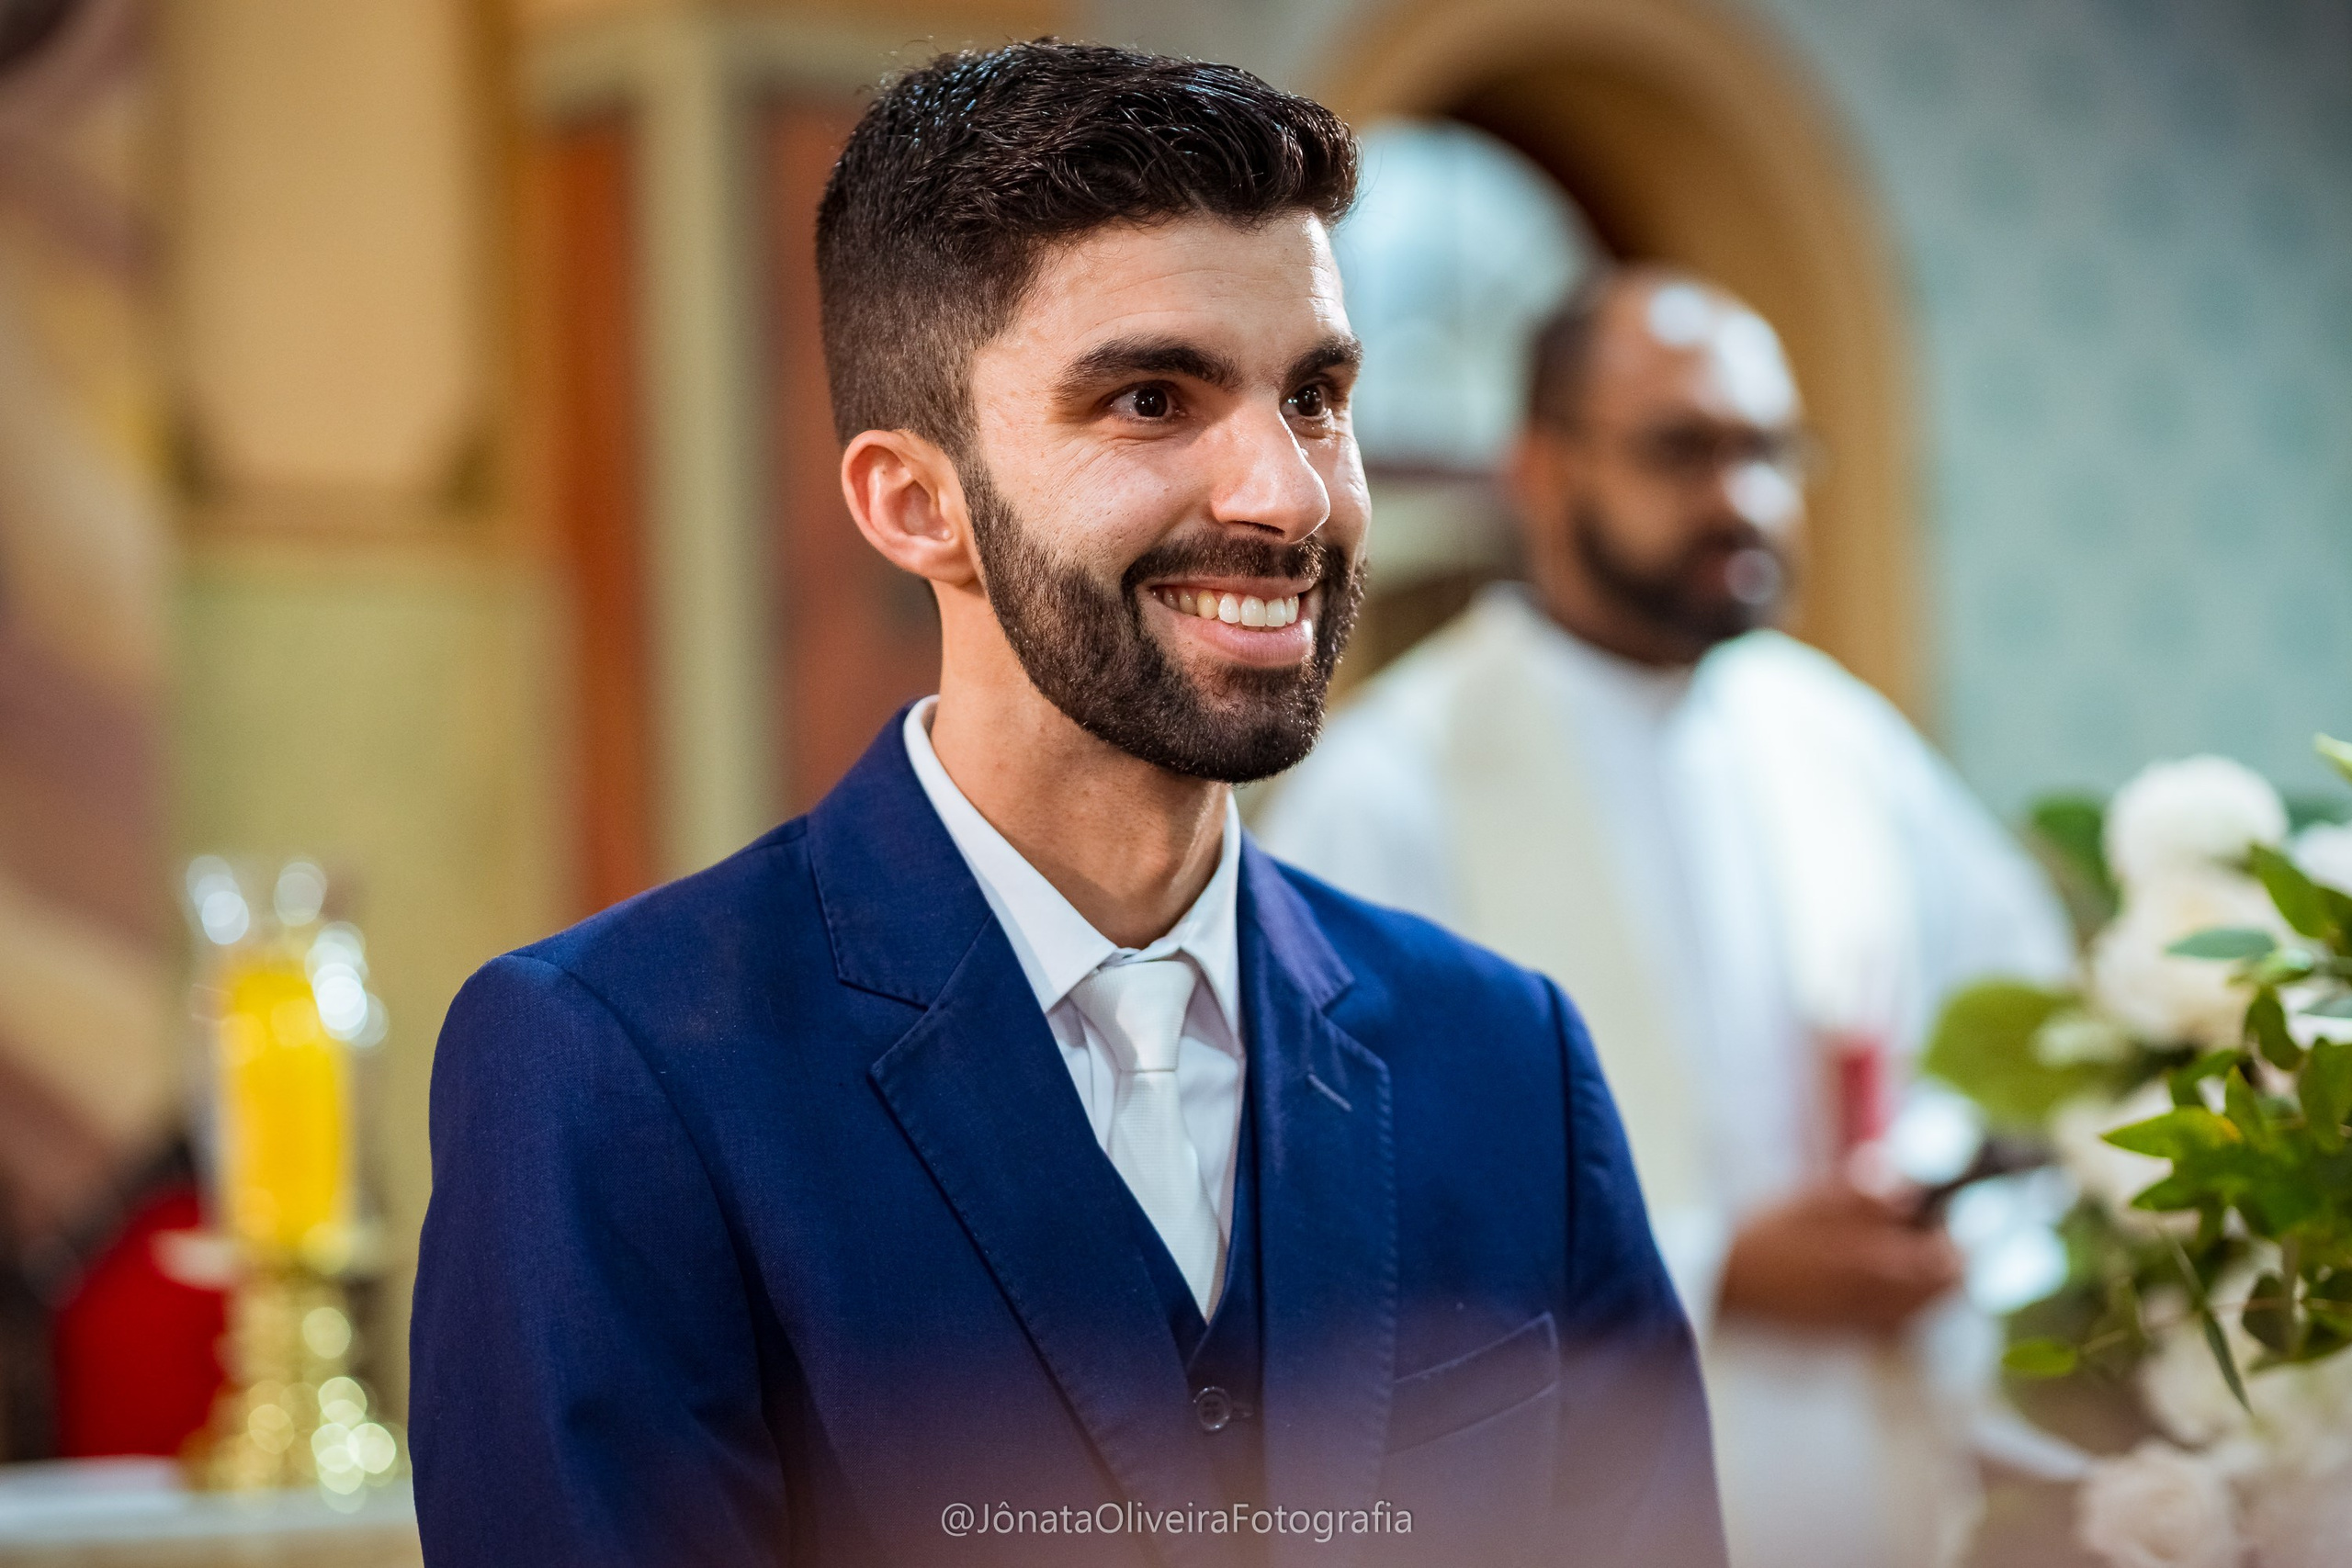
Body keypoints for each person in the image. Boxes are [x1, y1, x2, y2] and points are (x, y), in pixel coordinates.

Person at [409, 45, 1724, 1568]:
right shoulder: (614, 1074)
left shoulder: (1507, 1066)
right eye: (1154, 399)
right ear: (917, 502)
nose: (1290, 496)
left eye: (1315, 394)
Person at [1259, 268, 2074, 1568]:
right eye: (1682, 448)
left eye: (1769, 450)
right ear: (1538, 466)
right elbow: (1340, 1205)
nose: (1743, 498)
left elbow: (2022, 1025)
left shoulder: (1839, 739)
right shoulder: (1390, 792)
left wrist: (1933, 1192)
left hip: (1883, 1470)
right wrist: (1715, 1266)